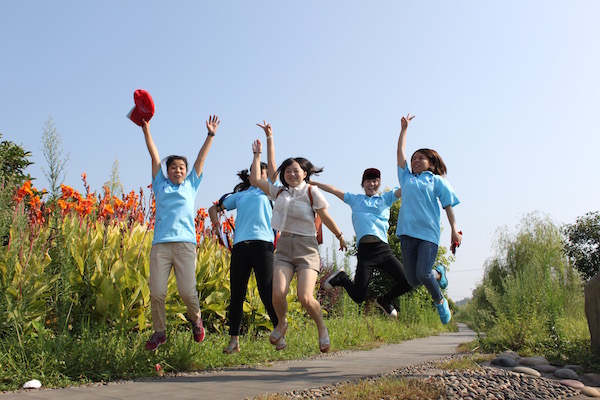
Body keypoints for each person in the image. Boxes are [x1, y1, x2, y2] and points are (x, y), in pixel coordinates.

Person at [249, 121, 347, 353]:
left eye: (297, 170)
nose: (292, 174)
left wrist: (340, 235)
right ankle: (282, 323)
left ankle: (321, 328)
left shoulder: (312, 192)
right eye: (288, 171)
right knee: (277, 293)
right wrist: (258, 153)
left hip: (306, 248)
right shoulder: (280, 192)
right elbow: (256, 179)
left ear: (305, 173)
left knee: (305, 296)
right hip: (284, 247)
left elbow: (327, 217)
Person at [141, 115, 220, 351]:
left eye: (181, 167)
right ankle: (159, 332)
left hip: (185, 244)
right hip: (161, 245)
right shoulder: (160, 184)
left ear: (186, 172)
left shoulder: (191, 184)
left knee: (187, 292)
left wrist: (210, 135)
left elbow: (201, 158)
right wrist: (146, 130)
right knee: (157, 292)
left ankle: (196, 320)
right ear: (167, 171)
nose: (178, 170)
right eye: (173, 167)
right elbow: (154, 155)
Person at [312, 168, 413, 318]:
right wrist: (313, 183)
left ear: (379, 183)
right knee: (358, 297)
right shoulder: (355, 199)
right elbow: (333, 190)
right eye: (368, 181)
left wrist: (415, 175)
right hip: (366, 253)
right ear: (363, 183)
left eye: (375, 181)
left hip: (383, 250)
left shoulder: (386, 199)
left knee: (408, 281)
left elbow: (405, 188)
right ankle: (342, 278)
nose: (372, 184)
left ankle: (384, 300)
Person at [395, 114, 461, 324]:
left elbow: (448, 206)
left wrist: (454, 229)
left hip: (428, 234)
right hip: (407, 234)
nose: (415, 160)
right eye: (413, 159)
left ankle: (440, 302)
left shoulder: (436, 181)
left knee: (423, 274)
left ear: (431, 163)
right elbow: (400, 153)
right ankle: (439, 273)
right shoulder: (405, 178)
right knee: (413, 279)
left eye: (420, 158)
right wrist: (404, 130)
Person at [208, 161, 279, 354]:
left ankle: (279, 331)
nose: (260, 176)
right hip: (240, 246)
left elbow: (273, 170)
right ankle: (234, 341)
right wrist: (216, 227)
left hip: (263, 244)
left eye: (263, 174)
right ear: (249, 177)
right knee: (237, 294)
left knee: (266, 291)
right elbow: (213, 209)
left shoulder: (269, 191)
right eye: (256, 173)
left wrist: (263, 147)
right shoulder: (239, 196)